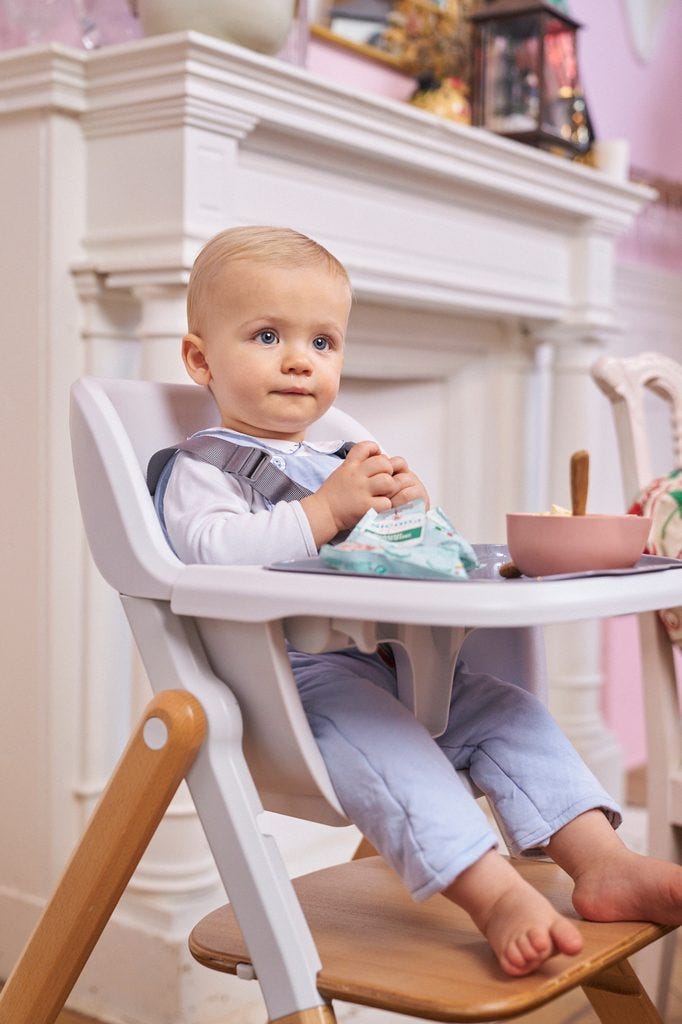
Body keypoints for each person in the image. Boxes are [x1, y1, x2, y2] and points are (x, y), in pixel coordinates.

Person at [159, 225, 682, 978]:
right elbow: (209, 553)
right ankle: (494, 894)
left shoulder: (335, 459)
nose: (300, 360)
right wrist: (326, 511)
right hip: (289, 690)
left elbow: (405, 559)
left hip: (390, 664)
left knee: (508, 710)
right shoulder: (202, 468)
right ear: (201, 359)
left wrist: (409, 513)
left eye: (323, 342)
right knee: (392, 746)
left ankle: (602, 861)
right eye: (268, 335)